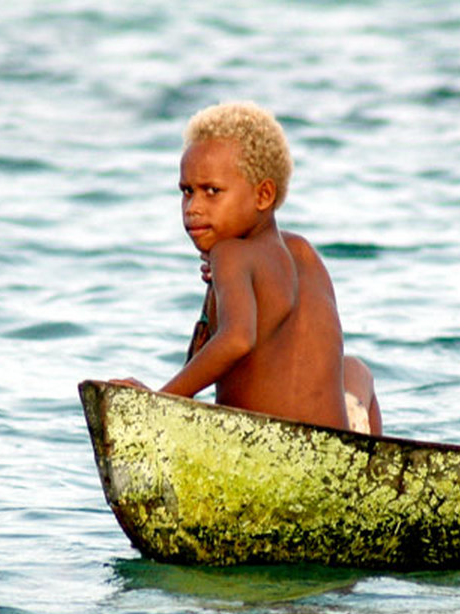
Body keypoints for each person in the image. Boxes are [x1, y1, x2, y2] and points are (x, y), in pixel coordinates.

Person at [112, 101, 381, 435]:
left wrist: (156, 404)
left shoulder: (231, 255)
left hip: (272, 452)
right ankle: (370, 466)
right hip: (334, 448)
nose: (194, 208)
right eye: (187, 192)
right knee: (355, 371)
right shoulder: (304, 252)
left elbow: (237, 339)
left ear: (263, 195)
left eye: (212, 191)